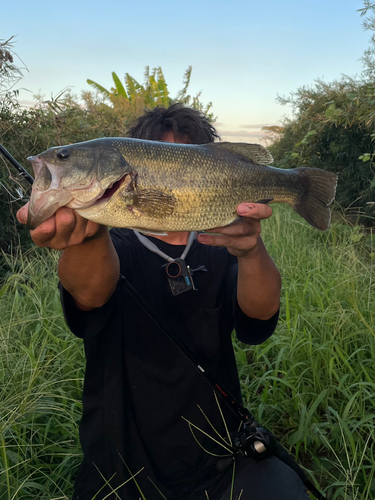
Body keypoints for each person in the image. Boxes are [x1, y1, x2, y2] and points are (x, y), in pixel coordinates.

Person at [17, 104, 309, 500]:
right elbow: (90, 293)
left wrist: (252, 250)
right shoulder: (109, 241)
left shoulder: (221, 245)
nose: (58, 160)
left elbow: (257, 321)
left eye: (65, 156)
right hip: (120, 468)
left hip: (222, 458)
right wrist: (86, 237)